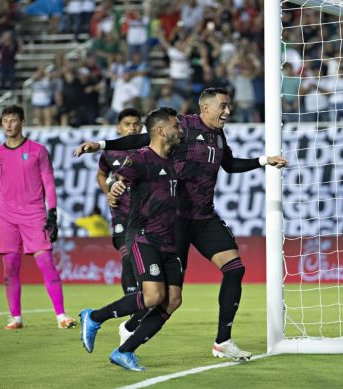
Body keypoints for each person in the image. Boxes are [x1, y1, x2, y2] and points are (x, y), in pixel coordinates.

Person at [75, 87, 288, 360]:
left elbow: (230, 164)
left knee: (234, 268)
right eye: (223, 106)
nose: (228, 111)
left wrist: (263, 161)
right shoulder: (183, 126)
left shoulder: (218, 135)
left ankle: (223, 341)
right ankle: (129, 325)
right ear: (206, 108)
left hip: (203, 217)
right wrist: (103, 145)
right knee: (168, 297)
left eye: (229, 106)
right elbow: (144, 139)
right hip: (173, 220)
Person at [79, 107, 184, 371]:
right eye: (176, 126)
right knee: (151, 297)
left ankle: (124, 351)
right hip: (144, 236)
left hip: (169, 238)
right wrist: (115, 188)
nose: (181, 130)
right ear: (161, 130)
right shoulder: (139, 159)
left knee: (172, 300)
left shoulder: (175, 156)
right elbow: (120, 179)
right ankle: (94, 317)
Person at [0, 105, 76, 330]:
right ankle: (16, 317)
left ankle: (61, 315)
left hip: (34, 215)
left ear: (22, 122)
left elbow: (49, 184)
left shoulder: (38, 151)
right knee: (10, 266)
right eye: (5, 121)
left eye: (13, 120)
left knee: (45, 262)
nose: (9, 125)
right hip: (5, 217)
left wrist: (52, 213)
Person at [96, 108, 143, 295]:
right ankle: (132, 305)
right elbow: (101, 175)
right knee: (127, 257)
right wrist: (108, 191)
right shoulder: (110, 152)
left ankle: (144, 301)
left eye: (136, 124)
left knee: (144, 262)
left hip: (147, 216)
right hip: (121, 216)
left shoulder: (150, 150)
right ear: (118, 128)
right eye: (127, 124)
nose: (132, 128)